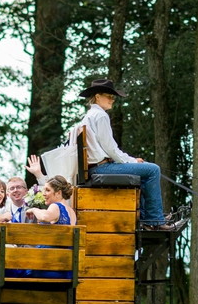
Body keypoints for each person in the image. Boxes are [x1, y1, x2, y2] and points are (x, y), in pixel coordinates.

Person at [70, 77, 173, 229]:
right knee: (153, 170)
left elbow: (107, 149)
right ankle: (154, 220)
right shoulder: (100, 116)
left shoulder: (89, 116)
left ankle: (148, 218)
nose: (112, 100)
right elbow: (110, 148)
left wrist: (130, 160)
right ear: (97, 96)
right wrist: (131, 161)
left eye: (113, 97)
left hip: (97, 166)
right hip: (101, 168)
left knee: (145, 171)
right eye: (109, 96)